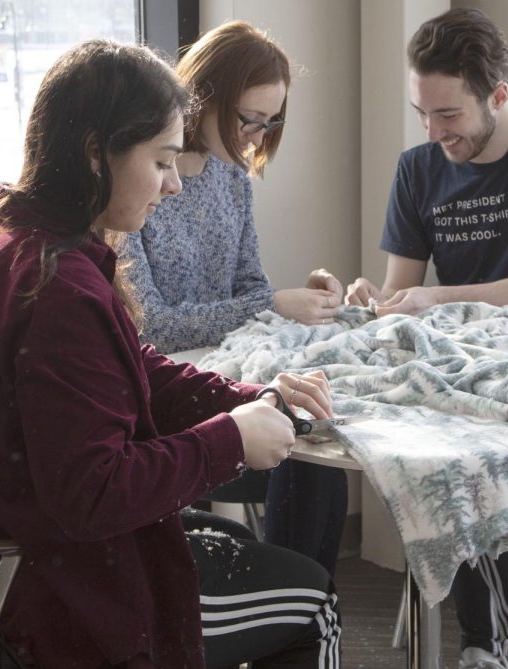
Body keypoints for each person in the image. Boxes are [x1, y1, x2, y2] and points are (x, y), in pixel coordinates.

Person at [0, 39, 341, 669]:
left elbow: (127, 367)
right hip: (50, 595)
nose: (172, 185)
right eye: (162, 161)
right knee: (314, 602)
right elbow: (93, 495)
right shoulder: (57, 289)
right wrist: (226, 442)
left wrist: (246, 400)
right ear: (95, 153)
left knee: (243, 544)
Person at [346, 8, 508, 669]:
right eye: (421, 114)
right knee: (448, 437)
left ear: (498, 95)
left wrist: (438, 297)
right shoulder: (417, 169)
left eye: (448, 116)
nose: (433, 133)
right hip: (464, 360)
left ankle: (481, 641)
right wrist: (371, 302)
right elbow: (402, 292)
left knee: (470, 440)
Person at [119, 21, 348, 577]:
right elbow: (151, 328)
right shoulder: (134, 184)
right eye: (251, 119)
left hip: (222, 376)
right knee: (300, 439)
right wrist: (271, 302)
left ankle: (304, 603)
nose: (257, 136)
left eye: (272, 124)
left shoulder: (232, 179)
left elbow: (250, 287)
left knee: (314, 431)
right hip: (165, 398)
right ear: (205, 99)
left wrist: (297, 297)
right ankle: (287, 606)